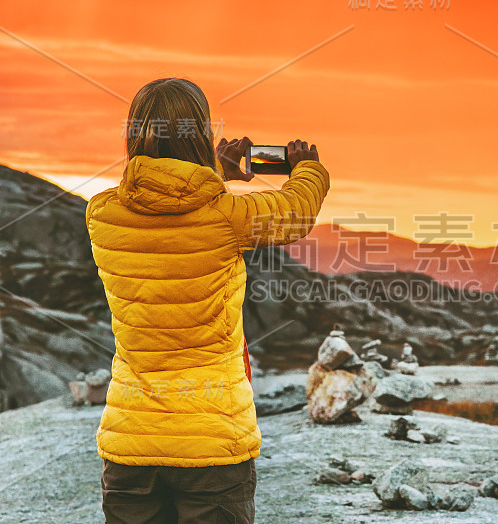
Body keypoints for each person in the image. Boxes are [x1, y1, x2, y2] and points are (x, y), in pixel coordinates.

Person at [86, 77, 330, 523]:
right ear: (200, 134)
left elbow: (167, 201)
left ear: (134, 133)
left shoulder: (102, 214)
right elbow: (295, 213)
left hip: (131, 447)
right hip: (213, 446)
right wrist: (307, 167)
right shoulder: (227, 216)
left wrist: (213, 172)